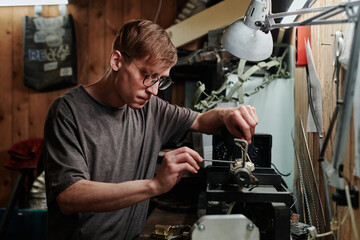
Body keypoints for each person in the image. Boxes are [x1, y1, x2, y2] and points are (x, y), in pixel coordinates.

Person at [43, 19, 258, 240]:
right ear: (117, 61)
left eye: (160, 79)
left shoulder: (151, 109)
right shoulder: (68, 112)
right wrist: (154, 185)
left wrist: (228, 114)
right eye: (147, 75)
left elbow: (202, 121)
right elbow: (70, 196)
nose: (154, 90)